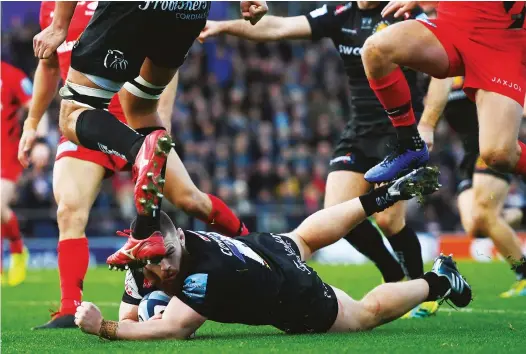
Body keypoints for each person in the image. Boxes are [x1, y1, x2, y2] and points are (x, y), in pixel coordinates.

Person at [198, 1, 437, 318]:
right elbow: (279, 27)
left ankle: (422, 288)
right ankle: (394, 276)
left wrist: (428, 123)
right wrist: (223, 25)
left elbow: (443, 68)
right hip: (359, 131)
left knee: (389, 221)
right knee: (337, 217)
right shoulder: (340, 14)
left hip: (398, 131)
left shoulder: (402, 12)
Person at [27, 1, 251, 329]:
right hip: (181, 18)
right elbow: (47, 67)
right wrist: (31, 123)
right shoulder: (47, 8)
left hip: (122, 120)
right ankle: (68, 307)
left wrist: (167, 118)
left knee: (191, 200)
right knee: (69, 210)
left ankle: (251, 243)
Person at [74, 168, 472, 341]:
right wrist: (141, 306)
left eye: (162, 258)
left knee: (364, 315)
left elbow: (173, 329)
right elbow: (140, 304)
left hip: (289, 292)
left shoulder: (202, 277)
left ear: (178, 239)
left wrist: (104, 327)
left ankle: (437, 280)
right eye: (150, 262)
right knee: (304, 236)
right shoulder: (167, 247)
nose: (159, 267)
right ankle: (383, 197)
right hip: (262, 247)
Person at [358, 1, 526, 184]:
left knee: (499, 155)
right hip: (452, 26)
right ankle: (409, 144)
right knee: (375, 50)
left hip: (501, 43)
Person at [419, 75, 526, 298]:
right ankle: (521, 215)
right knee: (475, 226)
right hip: (468, 156)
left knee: (484, 215)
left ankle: (523, 274)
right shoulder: (439, 74)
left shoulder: (480, 65)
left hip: (493, 147)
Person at [1, 61, 32, 287]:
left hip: (8, 155)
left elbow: (33, 105)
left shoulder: (12, 75)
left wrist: (38, 140)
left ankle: (18, 250)